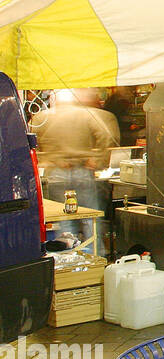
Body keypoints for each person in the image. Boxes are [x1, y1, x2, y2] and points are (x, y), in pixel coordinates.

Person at [30, 89, 120, 247]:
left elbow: (30, 142)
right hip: (82, 170)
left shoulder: (42, 117)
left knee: (65, 220)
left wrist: (47, 159)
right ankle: (94, 254)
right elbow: (107, 136)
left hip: (56, 173)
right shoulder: (88, 114)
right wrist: (98, 159)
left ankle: (69, 256)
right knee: (90, 218)